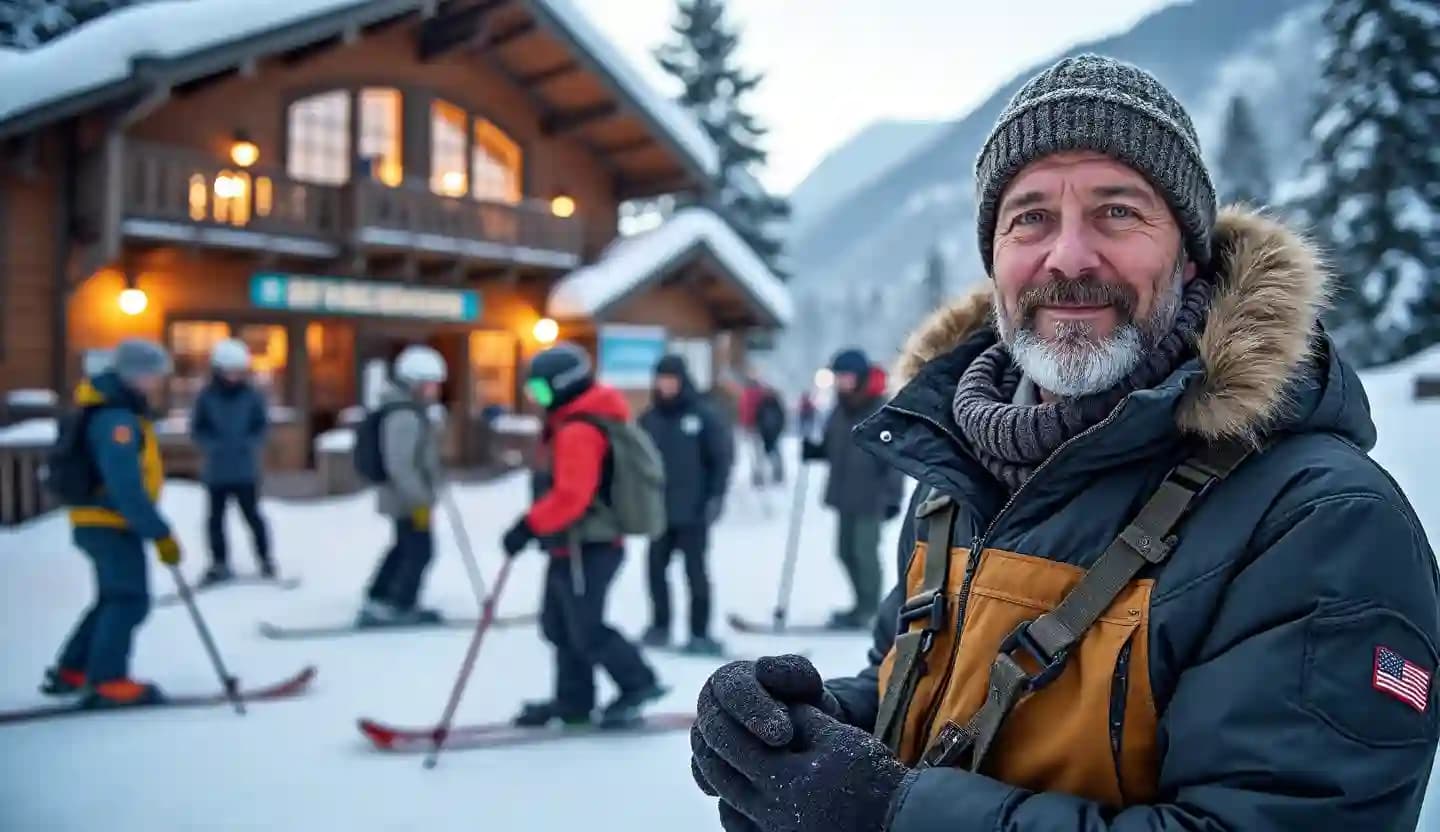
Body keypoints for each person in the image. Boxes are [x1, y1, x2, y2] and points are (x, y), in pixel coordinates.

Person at [689, 54, 1439, 832]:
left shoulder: (1319, 520)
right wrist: (796, 733)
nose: (1070, 257)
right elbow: (926, 699)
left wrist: (889, 814)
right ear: (996, 262)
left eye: (1117, 212)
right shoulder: (955, 476)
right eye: (1031, 218)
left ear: (1188, 257)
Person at [501, 342, 665, 728]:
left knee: (586, 627)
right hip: (570, 546)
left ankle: (638, 683)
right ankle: (573, 700)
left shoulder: (578, 430)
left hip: (589, 546)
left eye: (541, 391)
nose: (536, 400)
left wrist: (528, 526)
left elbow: (572, 496)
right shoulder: (571, 422)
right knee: (558, 626)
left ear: (564, 385)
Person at [42, 340, 182, 707]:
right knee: (130, 599)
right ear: (136, 374)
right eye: (155, 374)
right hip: (109, 521)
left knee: (112, 598)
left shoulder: (114, 410)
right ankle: (107, 680)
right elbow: (124, 485)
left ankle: (73, 669)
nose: (158, 382)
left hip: (101, 520)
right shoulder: (117, 419)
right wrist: (158, 531)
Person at [800, 348, 904, 630]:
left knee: (864, 553)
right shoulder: (840, 408)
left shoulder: (880, 410)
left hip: (872, 496)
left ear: (859, 377)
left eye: (845, 377)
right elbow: (836, 445)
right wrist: (816, 450)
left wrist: (893, 497)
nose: (841, 382)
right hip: (845, 494)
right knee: (844, 552)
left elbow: (894, 459)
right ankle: (860, 605)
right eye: (838, 377)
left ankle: (871, 610)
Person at [638, 353, 734, 655]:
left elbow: (721, 459)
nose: (666, 385)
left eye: (671, 379)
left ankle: (699, 632)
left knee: (695, 574)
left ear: (682, 381)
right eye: (661, 379)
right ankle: (660, 626)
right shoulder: (648, 419)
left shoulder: (703, 415)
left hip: (693, 510)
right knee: (655, 570)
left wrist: (716, 496)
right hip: (658, 512)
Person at [358, 345, 447, 626]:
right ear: (414, 383)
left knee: (405, 546)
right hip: (408, 499)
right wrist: (421, 498)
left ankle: (380, 594)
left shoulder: (410, 410)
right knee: (420, 549)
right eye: (430, 385)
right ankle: (399, 602)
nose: (435, 391)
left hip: (408, 497)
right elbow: (400, 464)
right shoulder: (404, 416)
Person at [190, 338, 272, 584]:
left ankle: (265, 558)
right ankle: (219, 563)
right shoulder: (206, 396)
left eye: (238, 371)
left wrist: (250, 442)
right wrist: (211, 444)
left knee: (253, 516)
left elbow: (261, 425)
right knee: (215, 520)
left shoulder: (252, 396)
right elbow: (197, 428)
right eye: (229, 371)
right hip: (216, 470)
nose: (234, 376)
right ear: (219, 370)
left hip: (245, 469)